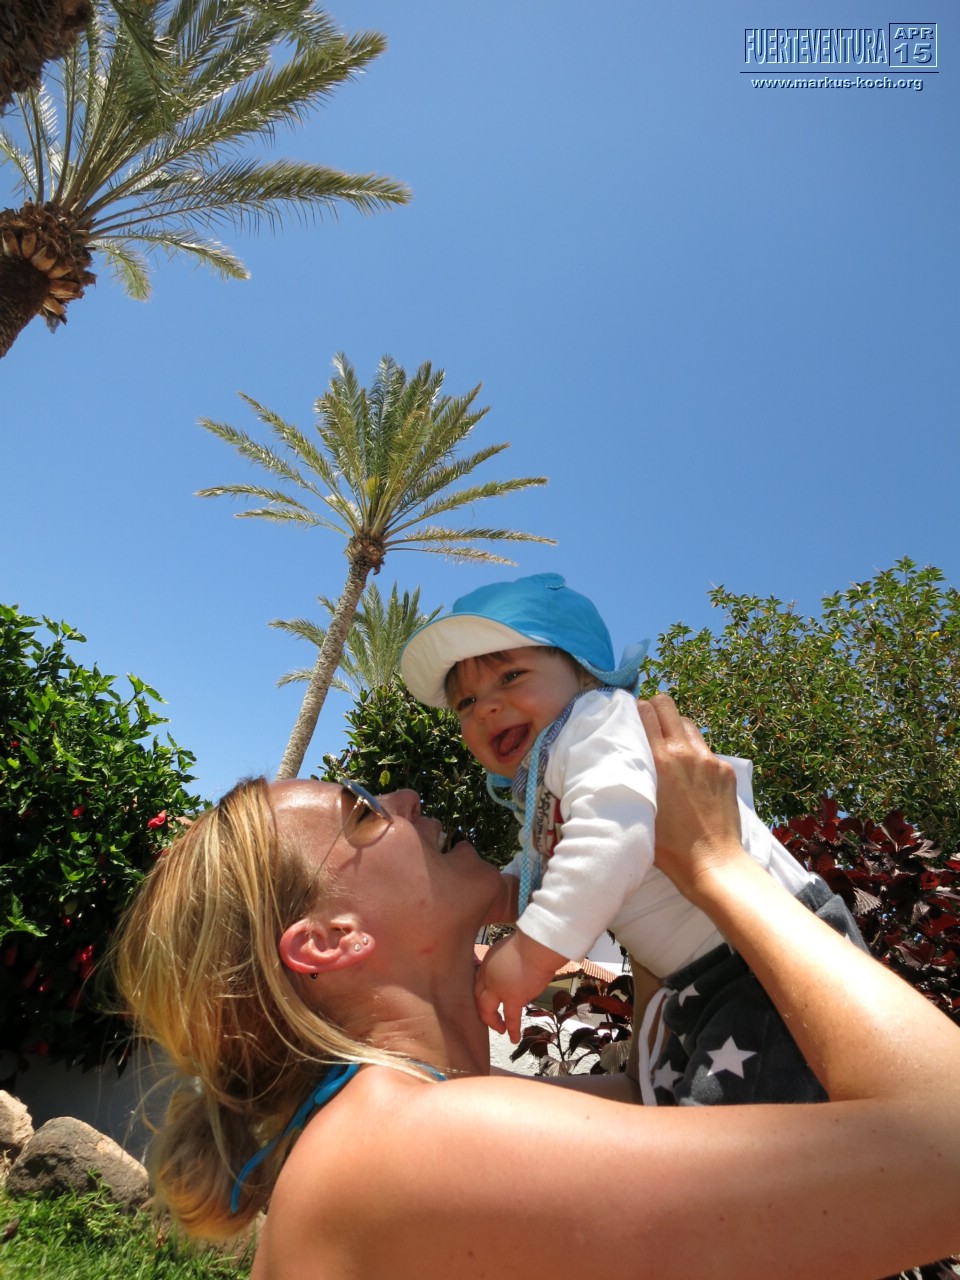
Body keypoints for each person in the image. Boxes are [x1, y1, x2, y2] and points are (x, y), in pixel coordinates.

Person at [113, 696, 960, 1278]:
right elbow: (945, 1148)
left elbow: (670, 1090)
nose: (405, 795)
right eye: (365, 813)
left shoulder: (408, 1127)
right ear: (332, 941)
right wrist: (717, 866)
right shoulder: (418, 1145)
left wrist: (638, 871)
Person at [399, 572, 865, 1103]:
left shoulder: (596, 721)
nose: (485, 706)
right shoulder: (550, 778)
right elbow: (534, 874)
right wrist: (472, 902)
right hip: (708, 976)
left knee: (720, 1135)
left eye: (511, 676)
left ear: (585, 676)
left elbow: (615, 836)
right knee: (671, 1108)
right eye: (465, 703)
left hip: (766, 958)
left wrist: (530, 953)